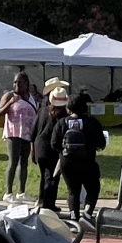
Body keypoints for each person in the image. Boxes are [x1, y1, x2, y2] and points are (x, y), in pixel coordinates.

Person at [52, 93, 108, 221]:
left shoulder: (62, 123)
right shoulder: (91, 122)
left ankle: (74, 217)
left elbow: (54, 143)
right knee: (93, 189)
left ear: (68, 107)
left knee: (73, 191)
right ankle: (87, 214)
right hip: (87, 161)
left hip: (67, 162)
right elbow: (101, 143)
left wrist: (64, 151)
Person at [0, 71, 39, 201]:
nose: (17, 85)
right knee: (13, 162)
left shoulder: (31, 97)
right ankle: (8, 193)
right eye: (15, 82)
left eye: (20, 82)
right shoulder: (9, 95)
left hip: (27, 133)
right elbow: (0, 113)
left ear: (26, 83)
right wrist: (10, 102)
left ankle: (22, 191)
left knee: (24, 162)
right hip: (13, 133)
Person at [33, 84, 69, 212]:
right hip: (51, 149)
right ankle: (48, 205)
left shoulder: (42, 110)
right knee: (52, 177)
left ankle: (42, 199)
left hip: (39, 146)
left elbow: (34, 130)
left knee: (44, 176)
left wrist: (33, 150)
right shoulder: (63, 115)